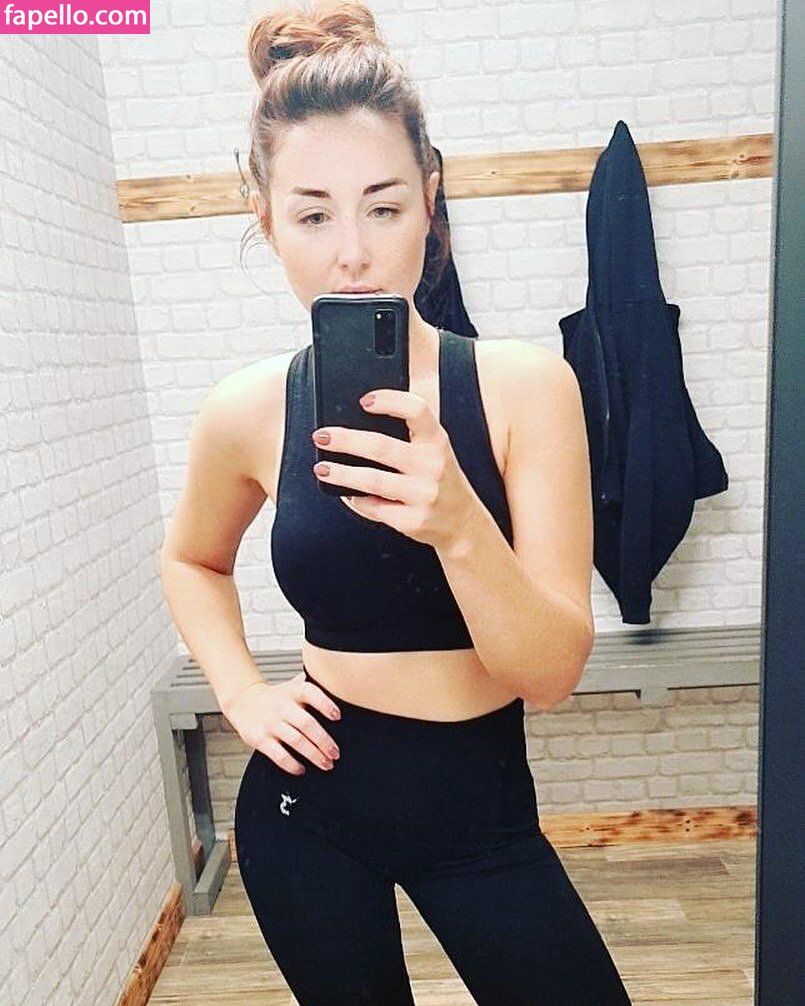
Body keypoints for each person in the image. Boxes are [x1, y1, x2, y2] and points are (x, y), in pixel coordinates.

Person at [160, 2, 633, 1003]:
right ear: (267, 222)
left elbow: (548, 673)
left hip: (483, 814)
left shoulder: (524, 389)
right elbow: (192, 561)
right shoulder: (246, 409)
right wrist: (242, 692)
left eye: (381, 207)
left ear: (429, 199)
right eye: (312, 214)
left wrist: (458, 522)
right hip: (308, 813)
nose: (351, 253)